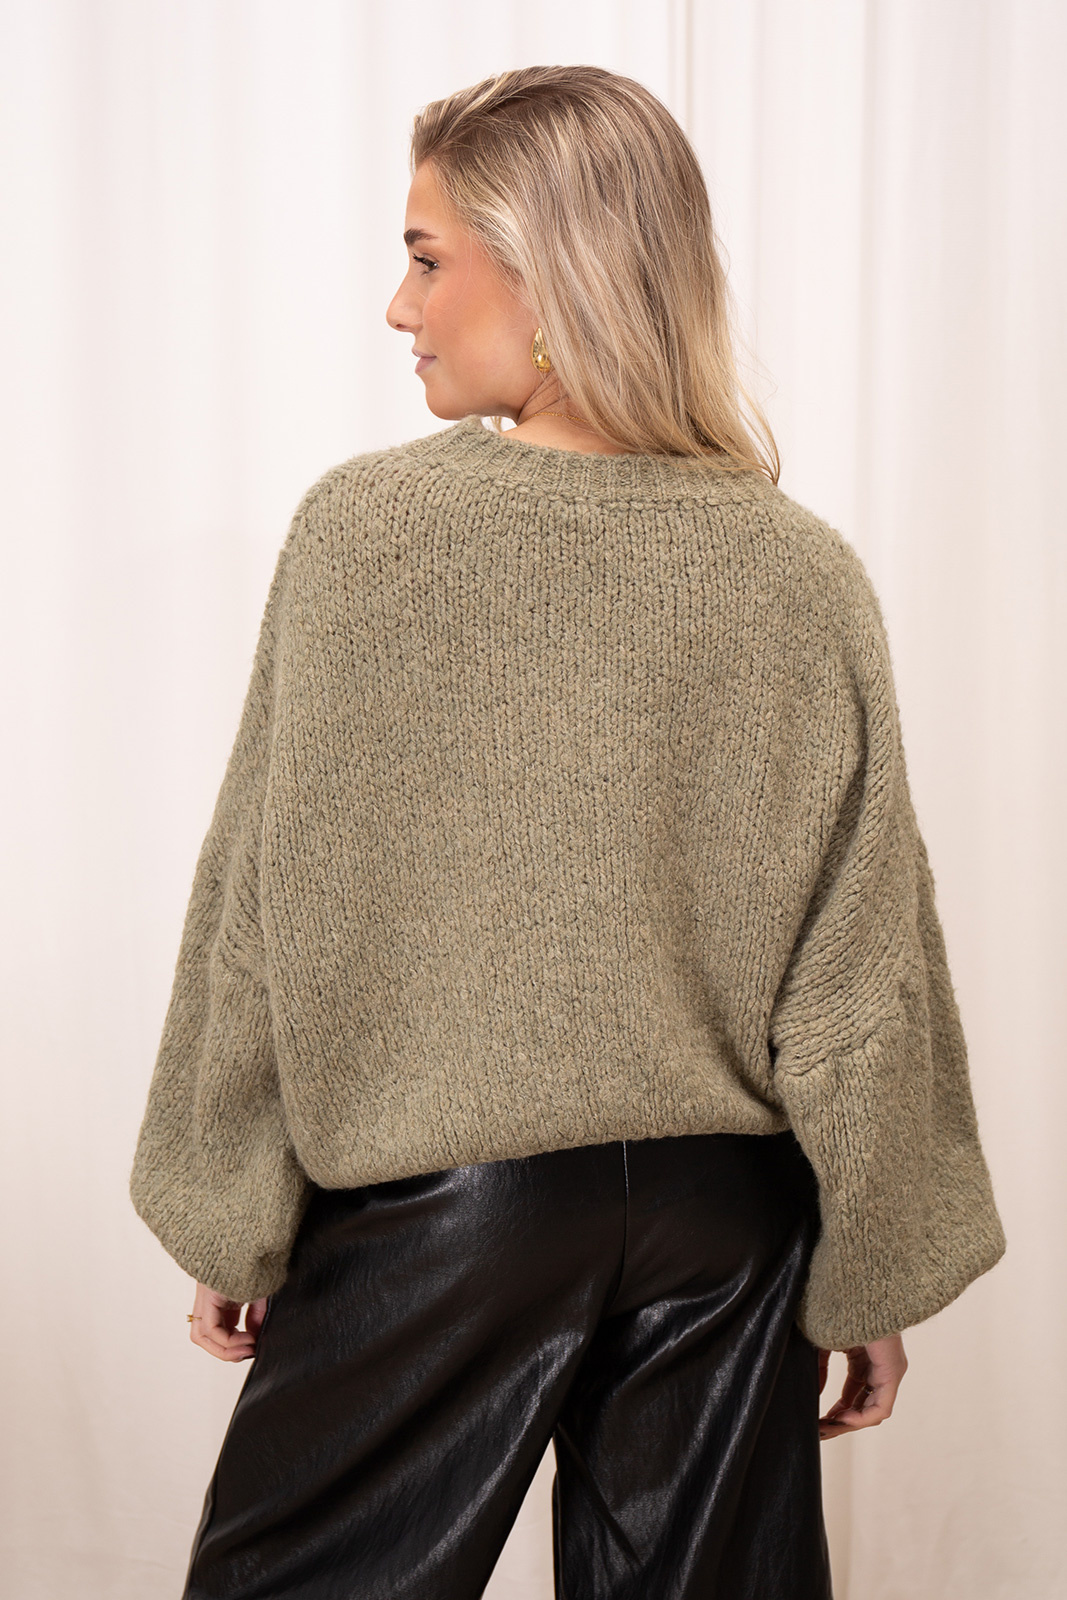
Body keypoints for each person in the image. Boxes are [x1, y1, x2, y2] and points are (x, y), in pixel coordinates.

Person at [130, 65, 1006, 1600]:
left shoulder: (366, 536)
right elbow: (861, 958)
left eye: (426, 258)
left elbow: (264, 902)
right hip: (729, 1224)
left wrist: (234, 1208)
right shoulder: (800, 572)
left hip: (446, 1219)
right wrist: (868, 1261)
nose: (398, 308)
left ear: (546, 274)